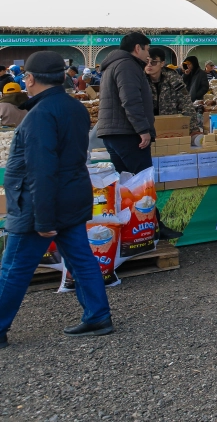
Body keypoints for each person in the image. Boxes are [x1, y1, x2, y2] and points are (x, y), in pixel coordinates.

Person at [0, 50, 113, 346]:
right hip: (71, 196)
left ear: (31, 78)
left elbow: (41, 169)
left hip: (40, 204)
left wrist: (44, 218)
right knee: (81, 259)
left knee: (13, 268)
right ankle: (97, 315)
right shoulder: (74, 108)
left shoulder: (40, 115)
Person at [95, 32, 156, 175]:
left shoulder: (113, 65)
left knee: (126, 182)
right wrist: (142, 129)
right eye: (146, 49)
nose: (148, 54)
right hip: (127, 133)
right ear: (137, 48)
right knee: (142, 182)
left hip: (114, 133)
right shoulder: (127, 65)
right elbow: (130, 100)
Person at [145, 47, 202, 136]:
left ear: (162, 63)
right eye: (146, 62)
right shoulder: (139, 80)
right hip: (146, 130)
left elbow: (186, 104)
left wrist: (193, 129)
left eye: (153, 62)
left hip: (169, 127)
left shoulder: (173, 79)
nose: (149, 65)